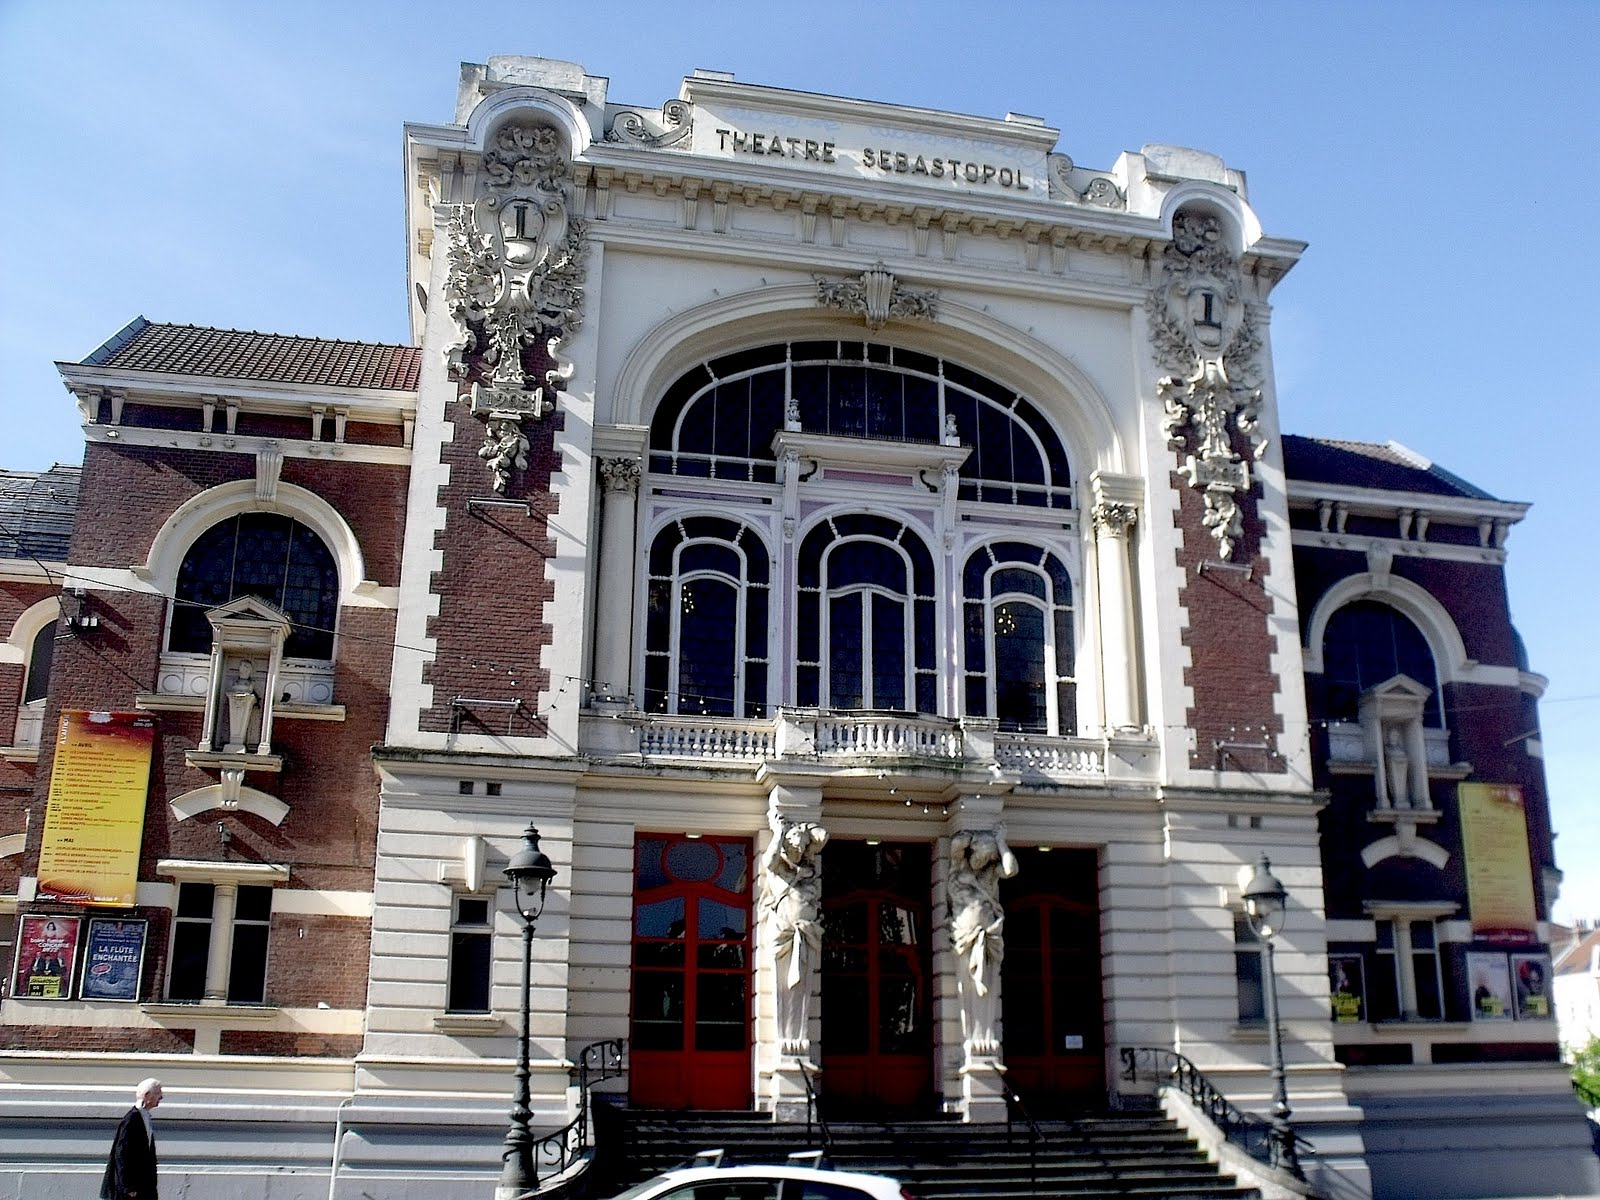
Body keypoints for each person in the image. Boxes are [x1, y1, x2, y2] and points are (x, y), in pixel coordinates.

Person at [101, 1078, 162, 1200]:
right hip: (132, 1191)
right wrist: (128, 1187)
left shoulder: (144, 1117)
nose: (161, 1097)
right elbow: (122, 1153)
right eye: (158, 1093)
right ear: (147, 1095)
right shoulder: (132, 1119)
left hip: (144, 1187)